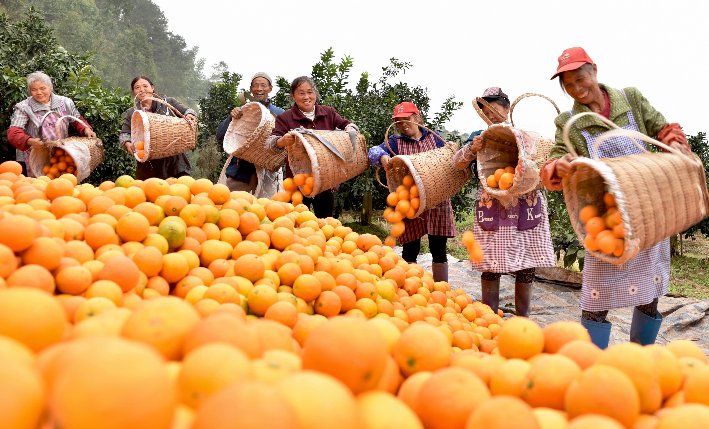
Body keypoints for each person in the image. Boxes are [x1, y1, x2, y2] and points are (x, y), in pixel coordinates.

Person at [541, 47, 690, 348]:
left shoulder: (631, 99)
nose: (577, 88)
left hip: (648, 212)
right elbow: (554, 162)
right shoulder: (570, 123)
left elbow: (662, 129)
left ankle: (639, 354)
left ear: (595, 70)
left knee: (650, 292)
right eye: (568, 85)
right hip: (608, 219)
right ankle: (592, 360)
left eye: (580, 78)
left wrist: (675, 142)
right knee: (596, 295)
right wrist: (558, 166)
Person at [452, 88, 555, 316]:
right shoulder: (479, 136)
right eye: (485, 109)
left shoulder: (522, 135)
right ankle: (490, 317)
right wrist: (471, 149)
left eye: (495, 108)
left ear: (507, 109)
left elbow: (539, 161)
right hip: (493, 206)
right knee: (490, 261)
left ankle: (523, 318)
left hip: (524, 204)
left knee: (527, 262)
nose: (490, 113)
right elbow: (457, 163)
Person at [368, 102, 455, 282]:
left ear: (417, 117)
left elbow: (449, 158)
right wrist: (383, 157)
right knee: (410, 247)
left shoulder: (434, 138)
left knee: (438, 247)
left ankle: (442, 290)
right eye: (399, 121)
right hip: (410, 200)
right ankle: (409, 287)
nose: (403, 124)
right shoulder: (395, 141)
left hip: (437, 198)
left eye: (407, 119)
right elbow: (372, 151)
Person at [268, 76, 359, 218]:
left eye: (310, 92)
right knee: (296, 221)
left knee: (325, 223)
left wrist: (351, 130)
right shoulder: (285, 118)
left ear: (315, 93)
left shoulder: (328, 113)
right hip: (297, 181)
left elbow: (346, 124)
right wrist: (282, 141)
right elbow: (272, 143)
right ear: (293, 96)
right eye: (301, 93)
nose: (306, 97)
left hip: (325, 179)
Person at [7, 71, 96, 176]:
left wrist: (86, 129)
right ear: (30, 91)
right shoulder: (24, 107)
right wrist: (30, 141)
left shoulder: (65, 102)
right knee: (38, 184)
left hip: (61, 151)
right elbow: (14, 132)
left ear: (51, 87)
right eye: (34, 90)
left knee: (62, 179)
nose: (39, 92)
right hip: (36, 155)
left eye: (42, 88)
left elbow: (76, 118)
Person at [216, 72, 284, 197]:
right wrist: (231, 118)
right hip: (241, 171)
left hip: (268, 171)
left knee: (267, 210)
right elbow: (220, 136)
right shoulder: (243, 111)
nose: (259, 89)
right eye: (255, 85)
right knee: (232, 208)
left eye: (263, 85)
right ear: (251, 89)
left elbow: (287, 142)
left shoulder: (279, 114)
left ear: (270, 88)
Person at [119, 76, 197, 180]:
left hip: (176, 163)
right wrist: (127, 143)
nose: (142, 89)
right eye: (137, 87)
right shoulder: (132, 113)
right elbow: (124, 134)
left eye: (145, 86)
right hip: (148, 165)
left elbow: (188, 111)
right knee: (152, 193)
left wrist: (189, 115)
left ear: (152, 88)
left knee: (180, 192)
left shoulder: (168, 103)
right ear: (134, 92)